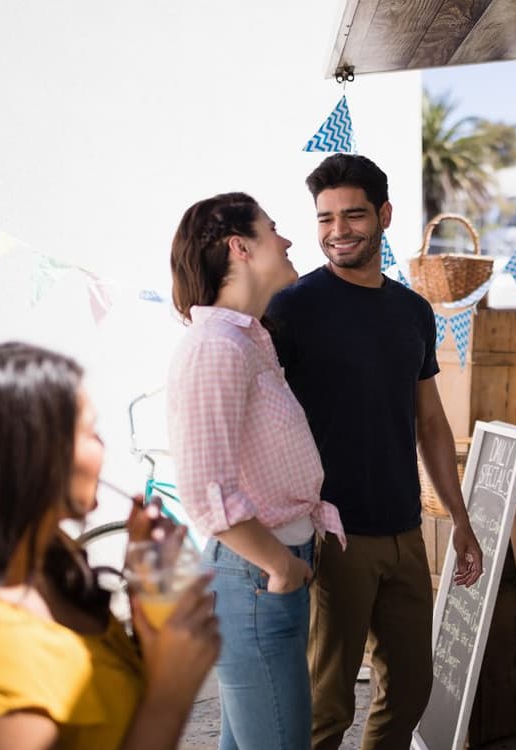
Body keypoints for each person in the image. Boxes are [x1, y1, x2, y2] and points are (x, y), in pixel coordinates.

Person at [0, 342, 219, 750]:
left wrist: (146, 583)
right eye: (90, 431)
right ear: (29, 457)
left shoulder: (47, 569)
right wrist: (170, 697)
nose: (103, 447)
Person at [265, 154, 483, 750]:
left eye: (354, 215)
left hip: (403, 528)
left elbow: (431, 422)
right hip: (330, 533)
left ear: (384, 216)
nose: (339, 231)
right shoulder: (292, 308)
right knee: (325, 707)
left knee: (411, 687)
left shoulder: (413, 311)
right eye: (325, 218)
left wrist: (460, 519)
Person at [167, 192, 346, 750]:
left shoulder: (247, 339)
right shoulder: (217, 346)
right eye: (274, 230)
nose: (290, 240)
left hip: (267, 573)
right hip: (254, 578)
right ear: (239, 247)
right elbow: (206, 491)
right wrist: (279, 568)